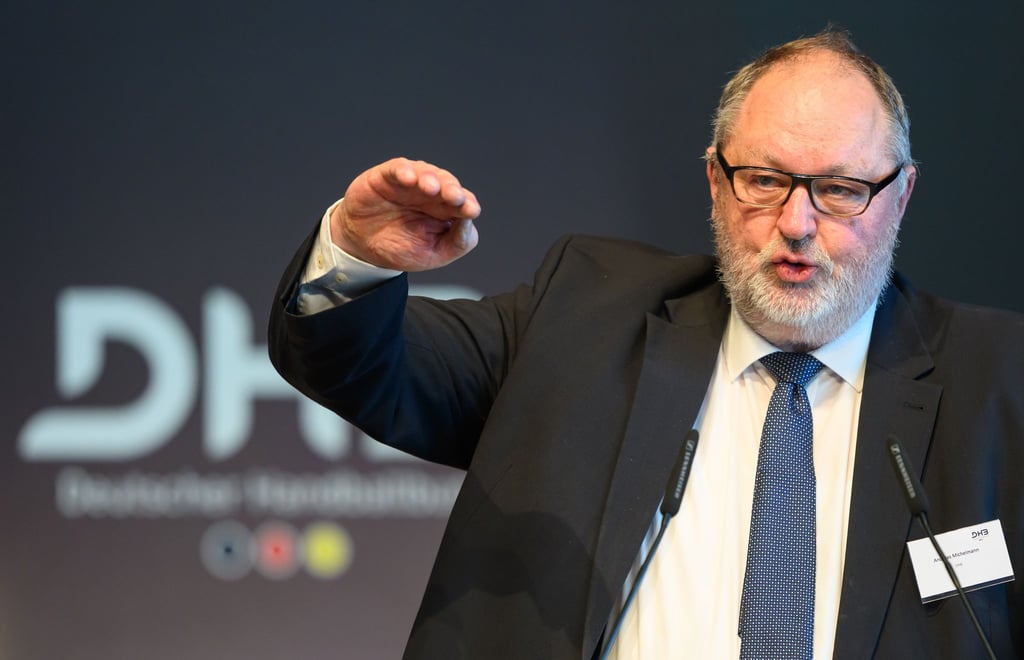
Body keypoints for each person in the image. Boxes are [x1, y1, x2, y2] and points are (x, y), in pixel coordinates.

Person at [269, 29, 1023, 659]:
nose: (797, 223)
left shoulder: (997, 380)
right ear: (715, 182)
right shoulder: (586, 318)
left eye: (841, 189)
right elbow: (370, 365)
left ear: (902, 194)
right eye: (763, 180)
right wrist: (357, 258)